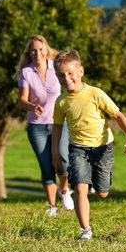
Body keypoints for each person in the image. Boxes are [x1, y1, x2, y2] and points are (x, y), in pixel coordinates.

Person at [51, 49, 126, 241]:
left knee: (102, 193)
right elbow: (57, 127)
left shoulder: (96, 94)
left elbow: (118, 115)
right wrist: (56, 151)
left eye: (70, 73)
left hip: (103, 148)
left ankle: (93, 185)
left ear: (80, 71)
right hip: (78, 148)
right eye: (61, 75)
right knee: (80, 187)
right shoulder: (61, 101)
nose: (66, 78)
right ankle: (85, 230)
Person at [17, 35, 74, 216]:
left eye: (41, 49)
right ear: (29, 53)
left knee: (63, 162)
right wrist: (32, 106)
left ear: (46, 50)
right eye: (34, 50)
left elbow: (69, 87)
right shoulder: (26, 72)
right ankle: (52, 207)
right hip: (37, 127)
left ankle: (64, 191)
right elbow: (21, 100)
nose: (37, 53)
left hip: (60, 123)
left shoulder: (55, 68)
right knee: (47, 167)